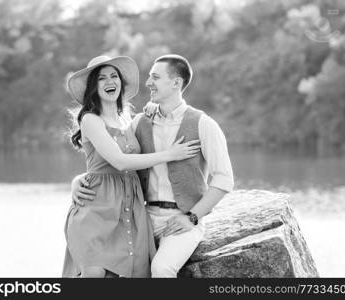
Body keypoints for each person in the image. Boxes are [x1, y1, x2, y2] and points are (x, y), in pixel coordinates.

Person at [71, 54, 234, 277]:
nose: (148, 83)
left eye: (155, 77)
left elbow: (224, 180)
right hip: (141, 217)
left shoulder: (204, 124)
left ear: (176, 83)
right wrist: (79, 180)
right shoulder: (140, 122)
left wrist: (192, 217)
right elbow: (114, 160)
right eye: (149, 77)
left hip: (181, 218)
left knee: (161, 269)